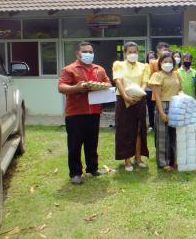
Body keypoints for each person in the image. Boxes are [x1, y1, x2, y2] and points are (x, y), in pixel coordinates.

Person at [58, 41, 110, 184]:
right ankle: (75, 173)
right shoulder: (69, 69)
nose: (88, 54)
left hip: (94, 112)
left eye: (90, 52)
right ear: (77, 54)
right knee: (75, 145)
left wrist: (103, 86)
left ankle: (93, 168)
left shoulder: (99, 69)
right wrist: (76, 88)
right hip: (75, 114)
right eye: (85, 51)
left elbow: (107, 83)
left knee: (92, 142)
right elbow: (61, 87)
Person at [113, 42, 150, 171]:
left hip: (139, 99)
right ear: (125, 53)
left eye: (135, 52)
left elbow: (145, 82)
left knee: (139, 130)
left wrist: (140, 94)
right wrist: (126, 97)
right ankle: (127, 159)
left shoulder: (144, 66)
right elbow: (118, 81)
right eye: (130, 52)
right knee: (125, 130)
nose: (133, 54)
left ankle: (138, 157)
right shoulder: (118, 65)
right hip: (123, 100)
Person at [148, 52, 182, 170]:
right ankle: (163, 163)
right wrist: (162, 112)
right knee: (163, 136)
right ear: (160, 63)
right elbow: (156, 95)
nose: (168, 64)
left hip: (176, 105)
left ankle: (175, 161)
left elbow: (179, 90)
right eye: (165, 62)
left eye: (170, 62)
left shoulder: (177, 75)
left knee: (175, 135)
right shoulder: (157, 75)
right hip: (163, 104)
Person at [145, 51, 156, 131]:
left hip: (157, 91)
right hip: (148, 90)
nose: (152, 59)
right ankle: (151, 124)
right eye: (150, 58)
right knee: (150, 108)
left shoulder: (158, 67)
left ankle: (158, 123)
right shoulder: (146, 68)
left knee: (158, 107)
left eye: (153, 57)